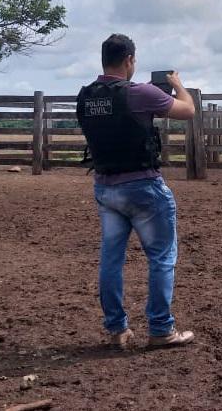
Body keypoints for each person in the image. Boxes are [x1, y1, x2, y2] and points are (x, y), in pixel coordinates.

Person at [76, 33, 196, 349]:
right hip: (143, 187)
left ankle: (117, 329)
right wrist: (177, 83)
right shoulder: (140, 93)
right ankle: (160, 329)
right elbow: (188, 111)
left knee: (111, 258)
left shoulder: (85, 97)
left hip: (105, 186)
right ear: (130, 60)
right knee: (161, 256)